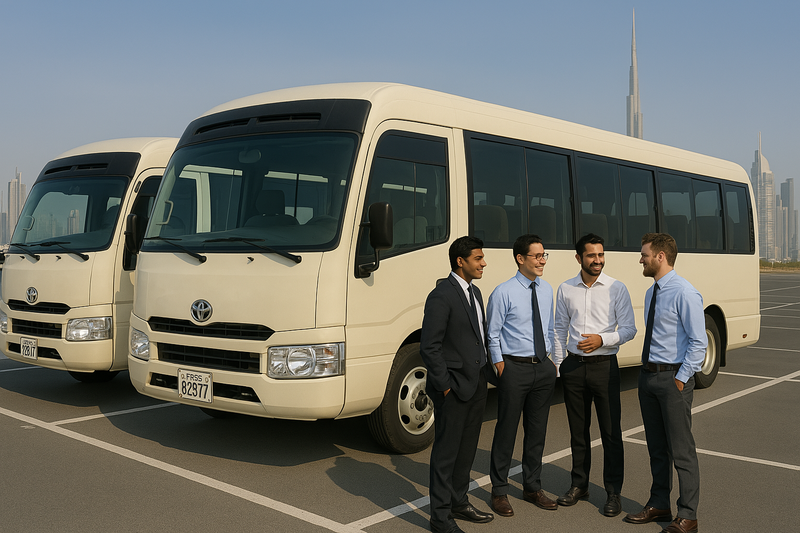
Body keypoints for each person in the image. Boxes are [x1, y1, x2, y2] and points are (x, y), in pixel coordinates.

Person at [624, 233, 705, 533]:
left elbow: (698, 344)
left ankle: (688, 515)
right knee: (657, 448)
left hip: (673, 380)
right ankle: (659, 503)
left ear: (660, 256)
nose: (640, 259)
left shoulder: (685, 292)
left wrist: (681, 380)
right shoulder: (651, 292)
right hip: (648, 378)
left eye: (644, 254)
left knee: (682, 451)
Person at [553, 233, 636, 517]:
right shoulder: (565, 288)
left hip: (605, 368)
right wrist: (559, 366)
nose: (598, 260)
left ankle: (613, 492)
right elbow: (558, 329)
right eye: (591, 256)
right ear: (579, 258)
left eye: (601, 255)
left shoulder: (617, 288)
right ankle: (579, 485)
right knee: (578, 432)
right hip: (573, 368)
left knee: (611, 433)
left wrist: (603, 340)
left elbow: (629, 329)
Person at [420, 236, 496, 533]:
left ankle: (459, 502)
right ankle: (439, 518)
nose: (483, 263)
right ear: (460, 261)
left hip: (476, 384)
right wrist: (445, 384)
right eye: (478, 258)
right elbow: (430, 346)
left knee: (467, 451)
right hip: (453, 388)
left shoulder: (474, 292)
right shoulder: (441, 295)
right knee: (446, 455)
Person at [487, 234, 558, 517]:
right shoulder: (503, 292)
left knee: (537, 432)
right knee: (506, 430)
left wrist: (551, 361)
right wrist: (500, 366)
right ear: (520, 258)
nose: (542, 261)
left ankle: (532, 487)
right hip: (513, 368)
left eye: (544, 255)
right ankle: (499, 491)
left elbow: (550, 327)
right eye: (537, 256)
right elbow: (492, 334)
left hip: (542, 368)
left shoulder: (546, 289)